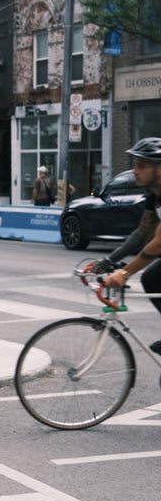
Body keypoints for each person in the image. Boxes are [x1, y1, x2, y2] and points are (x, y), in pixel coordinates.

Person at [99, 138, 161, 352]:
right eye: (135, 164)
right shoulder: (155, 197)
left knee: (152, 275)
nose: (135, 171)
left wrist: (124, 274)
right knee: (152, 278)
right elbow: (143, 233)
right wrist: (108, 261)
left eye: (141, 166)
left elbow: (159, 243)